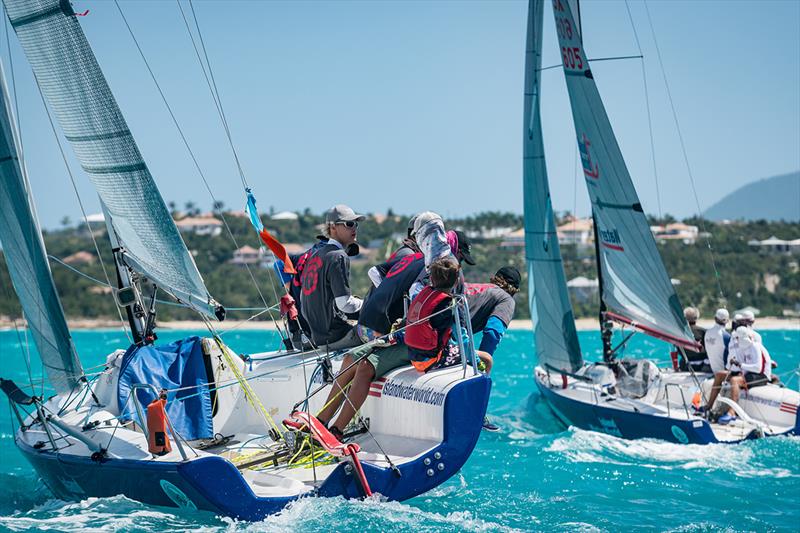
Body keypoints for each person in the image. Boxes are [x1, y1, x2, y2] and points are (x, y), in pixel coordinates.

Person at [299, 204, 365, 350]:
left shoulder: (315, 255)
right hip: (338, 337)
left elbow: (304, 305)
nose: (354, 228)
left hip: (319, 339)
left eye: (355, 224)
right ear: (333, 227)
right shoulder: (338, 256)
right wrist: (368, 303)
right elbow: (345, 304)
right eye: (349, 224)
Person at [405, 257, 461, 373]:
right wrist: (477, 361)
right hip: (431, 361)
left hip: (413, 359)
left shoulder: (422, 296)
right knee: (484, 358)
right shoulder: (450, 305)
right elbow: (462, 337)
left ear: (431, 279)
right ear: (456, 282)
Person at [463, 266, 521, 375]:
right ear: (514, 290)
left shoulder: (471, 287)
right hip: (441, 344)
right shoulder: (506, 299)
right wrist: (479, 366)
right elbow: (492, 333)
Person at [714, 327, 773, 424]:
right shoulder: (745, 347)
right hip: (751, 374)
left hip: (762, 376)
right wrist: (740, 370)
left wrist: (740, 365)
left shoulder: (755, 346)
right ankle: (709, 405)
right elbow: (746, 367)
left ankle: (732, 412)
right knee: (720, 375)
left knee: (735, 380)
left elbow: (758, 368)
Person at [679, 306, 710, 373]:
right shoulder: (703, 332)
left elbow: (678, 351)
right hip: (701, 366)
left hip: (685, 366)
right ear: (696, 318)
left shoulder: (679, 333)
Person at [704, 308, 731, 374]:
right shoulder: (726, 336)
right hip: (724, 372)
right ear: (727, 320)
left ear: (715, 318)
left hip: (712, 369)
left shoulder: (707, 333)